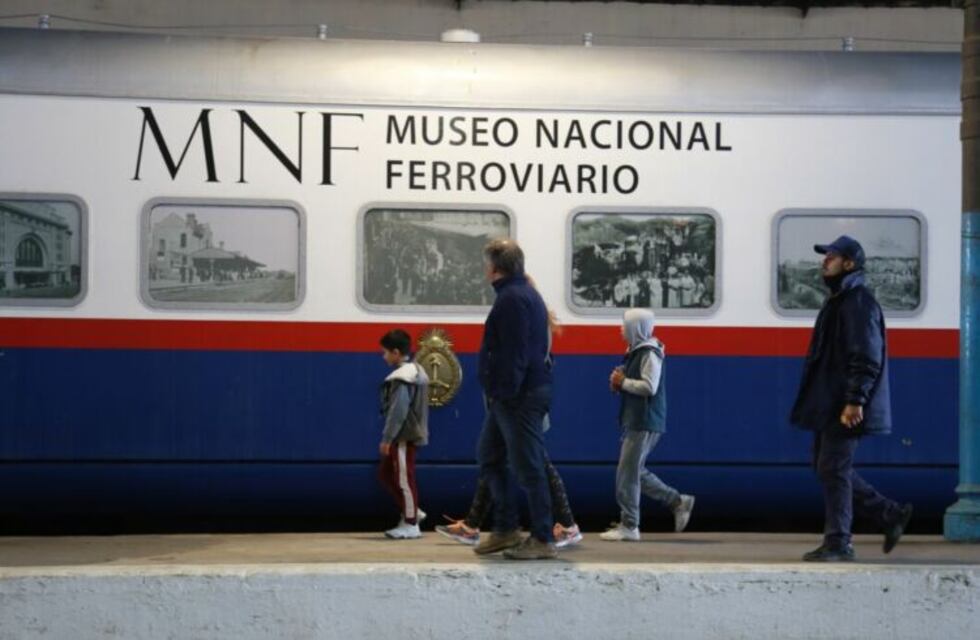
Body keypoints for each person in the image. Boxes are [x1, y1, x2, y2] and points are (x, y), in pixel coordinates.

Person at [790, 235, 913, 562]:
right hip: (831, 402)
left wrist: (855, 400)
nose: (823, 261)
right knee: (826, 466)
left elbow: (866, 356)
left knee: (833, 466)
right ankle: (889, 514)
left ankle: (839, 541)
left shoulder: (858, 302)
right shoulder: (841, 299)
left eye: (831, 256)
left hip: (844, 404)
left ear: (849, 263)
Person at [474, 239, 556, 560]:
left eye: (486, 264)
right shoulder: (524, 294)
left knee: (529, 466)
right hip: (513, 395)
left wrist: (503, 391)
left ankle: (543, 537)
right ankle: (506, 530)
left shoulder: (511, 299)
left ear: (494, 267)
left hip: (517, 396)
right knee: (490, 456)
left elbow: (515, 352)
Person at [600, 308, 695, 541]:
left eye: (625, 325)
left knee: (627, 473)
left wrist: (623, 383)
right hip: (639, 418)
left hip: (645, 419)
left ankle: (630, 526)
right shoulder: (638, 351)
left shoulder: (649, 353)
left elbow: (649, 387)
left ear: (636, 328)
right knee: (634, 471)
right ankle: (677, 501)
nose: (621, 329)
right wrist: (621, 382)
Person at [377, 329, 430, 539]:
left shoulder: (402, 378)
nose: (384, 357)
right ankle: (413, 511)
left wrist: (387, 438)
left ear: (396, 353)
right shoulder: (415, 371)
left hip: (403, 435)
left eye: (385, 352)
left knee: (403, 479)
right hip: (406, 433)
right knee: (386, 474)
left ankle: (410, 524)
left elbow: (398, 412)